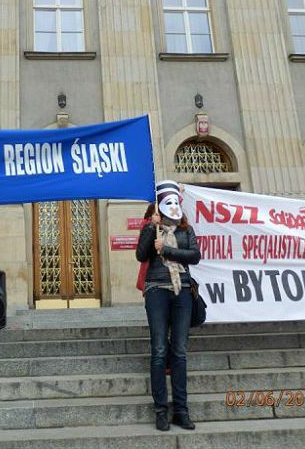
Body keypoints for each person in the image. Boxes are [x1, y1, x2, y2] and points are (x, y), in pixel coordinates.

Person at [136, 180, 201, 431]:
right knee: (160, 349)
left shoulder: (186, 230)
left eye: (176, 202)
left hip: (182, 291)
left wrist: (168, 250)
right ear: (160, 206)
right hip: (157, 291)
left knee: (180, 351)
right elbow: (141, 255)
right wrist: (149, 229)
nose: (173, 207)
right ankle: (161, 410)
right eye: (168, 203)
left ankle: (181, 410)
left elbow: (194, 256)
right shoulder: (152, 228)